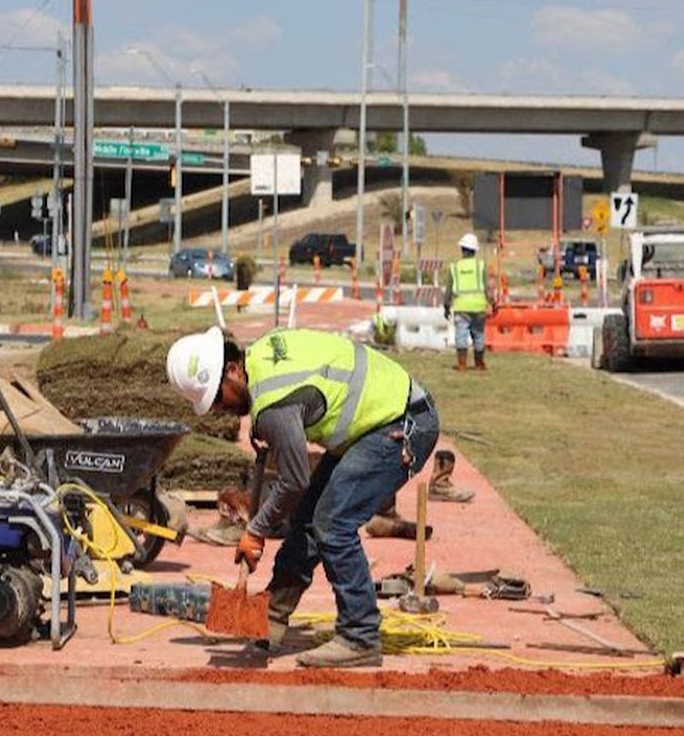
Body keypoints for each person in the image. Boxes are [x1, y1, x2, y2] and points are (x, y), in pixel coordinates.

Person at [166, 325, 439, 667]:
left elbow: (294, 480)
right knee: (309, 518)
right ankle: (272, 618)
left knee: (333, 524)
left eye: (218, 398)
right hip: (381, 417)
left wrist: (256, 530)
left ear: (233, 370)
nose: (220, 408)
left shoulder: (272, 407)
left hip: (401, 426)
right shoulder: (262, 356)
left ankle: (360, 636)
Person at [443, 232, 495, 372]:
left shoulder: (454, 267)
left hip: (461, 307)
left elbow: (448, 290)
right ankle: (479, 364)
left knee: (461, 334)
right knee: (478, 335)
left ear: (462, 249)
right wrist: (492, 302)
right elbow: (487, 287)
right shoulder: (481, 266)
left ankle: (462, 364)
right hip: (479, 307)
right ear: (475, 251)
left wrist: (446, 307)